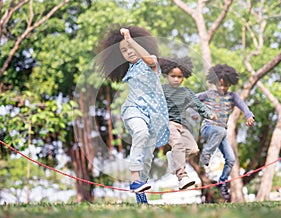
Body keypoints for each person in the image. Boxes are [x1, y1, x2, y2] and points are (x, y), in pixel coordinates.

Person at [97, 25, 170, 204]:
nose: (129, 51)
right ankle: (134, 178)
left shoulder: (152, 62)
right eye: (124, 50)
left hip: (154, 115)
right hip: (133, 110)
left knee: (148, 157)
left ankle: (140, 193)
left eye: (131, 47)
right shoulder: (130, 70)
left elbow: (150, 61)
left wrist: (130, 40)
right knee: (140, 133)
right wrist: (127, 42)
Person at [196, 64, 255, 202]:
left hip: (220, 134)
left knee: (231, 159)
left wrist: (249, 116)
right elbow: (192, 98)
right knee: (221, 130)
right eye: (220, 85)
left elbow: (243, 106)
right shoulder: (208, 94)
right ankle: (206, 154)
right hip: (208, 129)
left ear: (230, 83)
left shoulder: (233, 96)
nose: (222, 88)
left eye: (226, 85)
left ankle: (222, 183)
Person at [159, 57, 217, 190]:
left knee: (193, 149)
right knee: (178, 144)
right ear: (167, 75)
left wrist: (209, 114)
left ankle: (173, 157)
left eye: (179, 77)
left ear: (183, 77)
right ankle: (182, 176)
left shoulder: (186, 92)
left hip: (182, 125)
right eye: (173, 76)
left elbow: (198, 105)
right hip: (168, 124)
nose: (176, 79)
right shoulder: (162, 90)